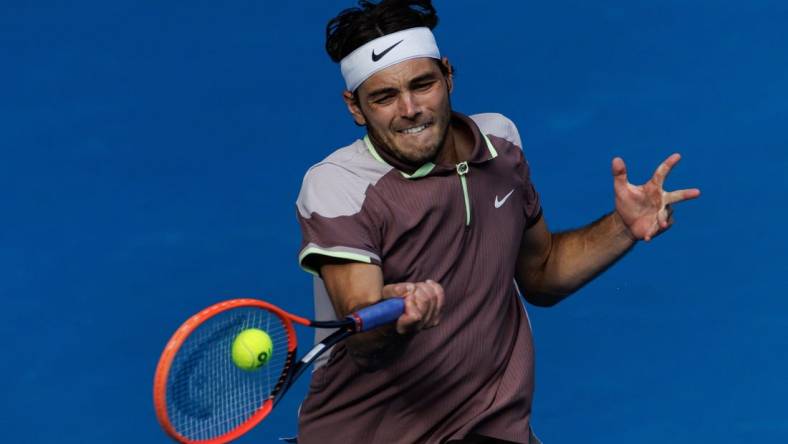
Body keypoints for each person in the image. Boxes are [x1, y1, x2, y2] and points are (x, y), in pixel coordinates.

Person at [294, 1, 700, 443]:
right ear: (355, 107)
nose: (409, 109)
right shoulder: (338, 185)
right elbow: (361, 331)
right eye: (384, 97)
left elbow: (542, 273)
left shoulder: (501, 143)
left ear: (448, 75)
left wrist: (622, 226)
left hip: (488, 429)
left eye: (422, 84)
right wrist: (393, 312)